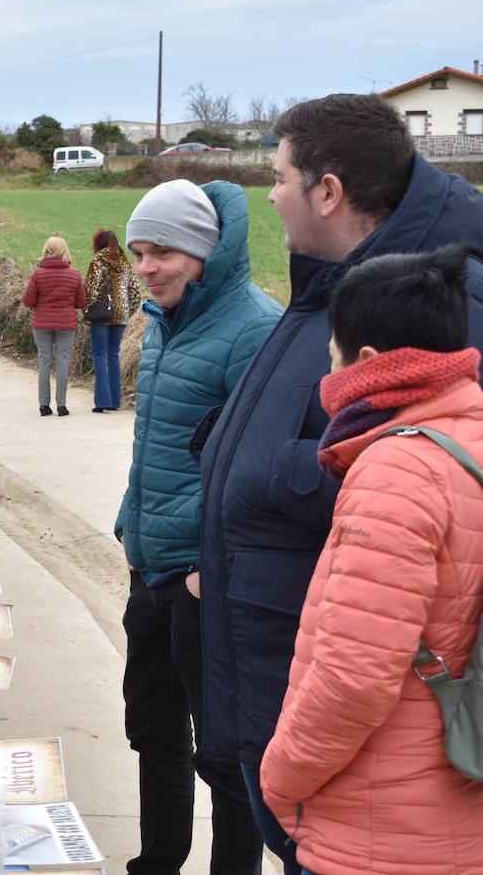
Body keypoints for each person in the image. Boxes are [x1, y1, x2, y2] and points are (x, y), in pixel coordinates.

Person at [194, 93, 483, 873]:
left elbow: (440, 473)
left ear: (329, 192)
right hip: (292, 659)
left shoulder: (444, 293)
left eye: (280, 176)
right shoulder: (339, 280)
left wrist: (269, 470)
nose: (270, 193)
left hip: (372, 760)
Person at [259, 248, 483, 875]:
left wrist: (281, 777)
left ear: (366, 363)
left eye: (331, 351)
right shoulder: (471, 438)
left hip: (383, 828)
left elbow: (355, 675)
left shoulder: (398, 469)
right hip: (460, 802)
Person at [117, 178, 282, 875]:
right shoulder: (161, 321)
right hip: (151, 568)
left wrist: (207, 570)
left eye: (166, 252)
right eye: (140, 252)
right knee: (155, 731)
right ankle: (158, 862)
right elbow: (157, 444)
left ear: (207, 253)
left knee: (225, 753)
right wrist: (131, 527)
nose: (149, 268)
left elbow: (261, 473)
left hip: (207, 582)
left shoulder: (256, 329)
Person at [22, 237, 86, 416]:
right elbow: (81, 302)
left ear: (46, 250)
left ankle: (44, 405)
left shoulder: (38, 274)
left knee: (44, 361)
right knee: (63, 360)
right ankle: (62, 405)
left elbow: (28, 301)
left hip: (42, 323)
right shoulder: (74, 274)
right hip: (66, 323)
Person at [83, 229, 144, 412]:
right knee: (113, 355)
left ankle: (102, 401)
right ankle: (115, 401)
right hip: (121, 315)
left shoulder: (97, 262)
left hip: (101, 315)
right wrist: (127, 310)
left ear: (98, 244)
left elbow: (91, 291)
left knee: (100, 355)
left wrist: (87, 310)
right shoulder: (125, 263)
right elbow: (135, 292)